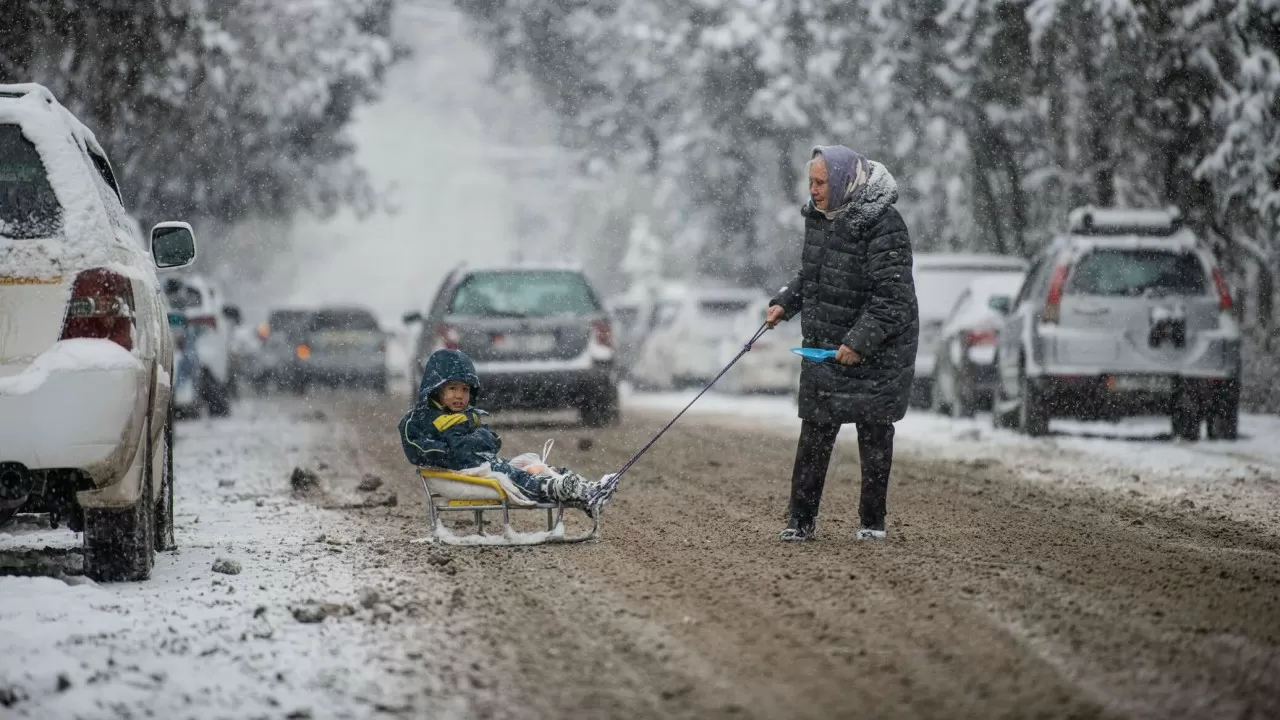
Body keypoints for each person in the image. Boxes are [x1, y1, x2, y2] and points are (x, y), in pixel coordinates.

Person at [766, 145, 919, 542]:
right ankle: (799, 523)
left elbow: (893, 299)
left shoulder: (884, 224)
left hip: (879, 353)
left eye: (820, 182)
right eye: (811, 182)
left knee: (874, 436)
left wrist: (858, 342)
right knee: (814, 431)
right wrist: (785, 302)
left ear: (841, 182)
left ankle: (872, 525)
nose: (813, 190)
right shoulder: (821, 218)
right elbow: (814, 274)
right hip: (826, 344)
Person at [399, 349, 611, 514]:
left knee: (529, 466)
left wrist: (475, 441)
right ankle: (555, 488)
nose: (459, 395)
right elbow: (416, 447)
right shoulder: (422, 419)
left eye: (464, 389)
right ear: (437, 389)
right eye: (452, 388)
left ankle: (582, 489)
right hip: (460, 471)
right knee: (514, 477)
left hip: (484, 462)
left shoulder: (469, 416)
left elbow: (493, 439)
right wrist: (447, 451)